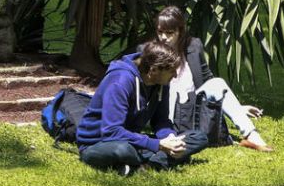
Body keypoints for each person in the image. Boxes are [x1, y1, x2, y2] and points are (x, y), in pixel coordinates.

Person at [76, 41, 209, 176]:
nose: (175, 75)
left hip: (133, 139)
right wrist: (158, 145)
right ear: (153, 70)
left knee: (199, 137)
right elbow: (111, 131)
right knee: (123, 150)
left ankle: (140, 166)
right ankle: (157, 161)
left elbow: (161, 120)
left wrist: (170, 138)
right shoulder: (120, 82)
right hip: (99, 143)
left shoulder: (161, 82)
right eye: (171, 71)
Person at [154, 6, 273, 152]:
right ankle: (172, 136)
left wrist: (237, 108)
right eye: (160, 32)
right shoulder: (155, 52)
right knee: (168, 89)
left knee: (217, 83)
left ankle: (251, 135)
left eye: (169, 33)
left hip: (195, 108)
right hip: (170, 108)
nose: (164, 37)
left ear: (180, 31)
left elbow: (207, 80)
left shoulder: (193, 46)